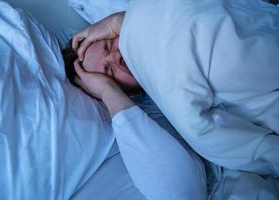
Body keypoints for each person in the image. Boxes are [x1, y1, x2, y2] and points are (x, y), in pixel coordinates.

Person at [62, 12, 207, 200]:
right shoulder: (153, 111)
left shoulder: (154, 20)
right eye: (109, 72)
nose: (117, 58)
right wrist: (108, 92)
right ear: (127, 92)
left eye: (108, 45)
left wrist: (120, 22)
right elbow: (183, 193)